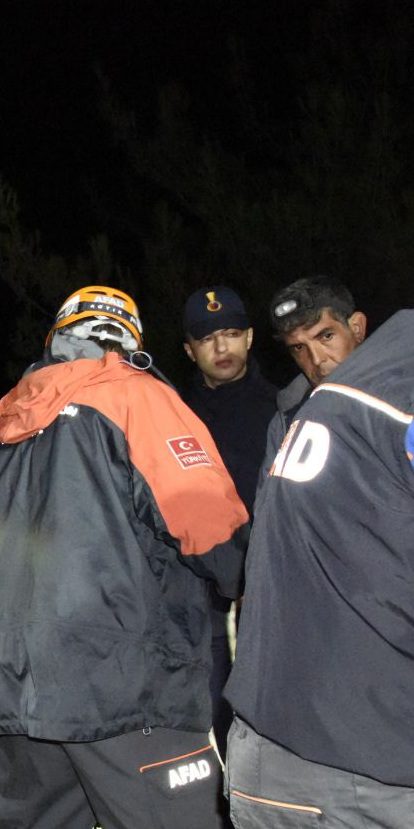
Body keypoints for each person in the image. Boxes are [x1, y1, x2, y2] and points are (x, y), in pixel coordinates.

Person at [0, 286, 253, 829]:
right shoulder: (136, 397)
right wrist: (254, 582)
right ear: (125, 340)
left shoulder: (9, 426)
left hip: (20, 684)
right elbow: (210, 523)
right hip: (126, 681)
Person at [224, 307, 414, 829]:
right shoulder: (375, 406)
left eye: (323, 339)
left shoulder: (348, 398)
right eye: (297, 348)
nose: (312, 358)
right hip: (338, 769)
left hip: (327, 739)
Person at [178, 286, 275, 757]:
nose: (222, 347)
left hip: (269, 600)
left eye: (232, 333)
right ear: (189, 349)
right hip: (198, 608)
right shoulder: (171, 415)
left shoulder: (284, 408)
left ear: (251, 338)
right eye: (208, 337)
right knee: (212, 735)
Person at [264, 275, 368, 466]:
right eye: (298, 347)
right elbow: (272, 495)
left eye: (326, 336)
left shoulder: (403, 397)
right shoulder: (287, 421)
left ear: (357, 328)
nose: (317, 358)